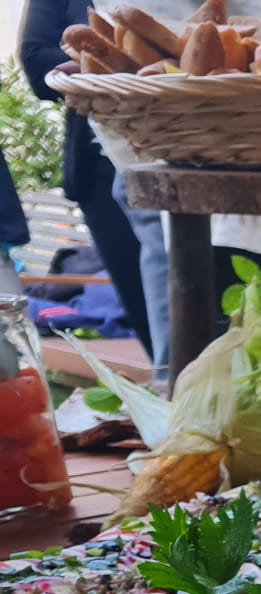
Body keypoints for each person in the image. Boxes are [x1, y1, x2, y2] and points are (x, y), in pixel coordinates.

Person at [20, 0, 153, 359]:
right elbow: (36, 60)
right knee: (150, 320)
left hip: (202, 152)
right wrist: (112, 67)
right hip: (102, 169)